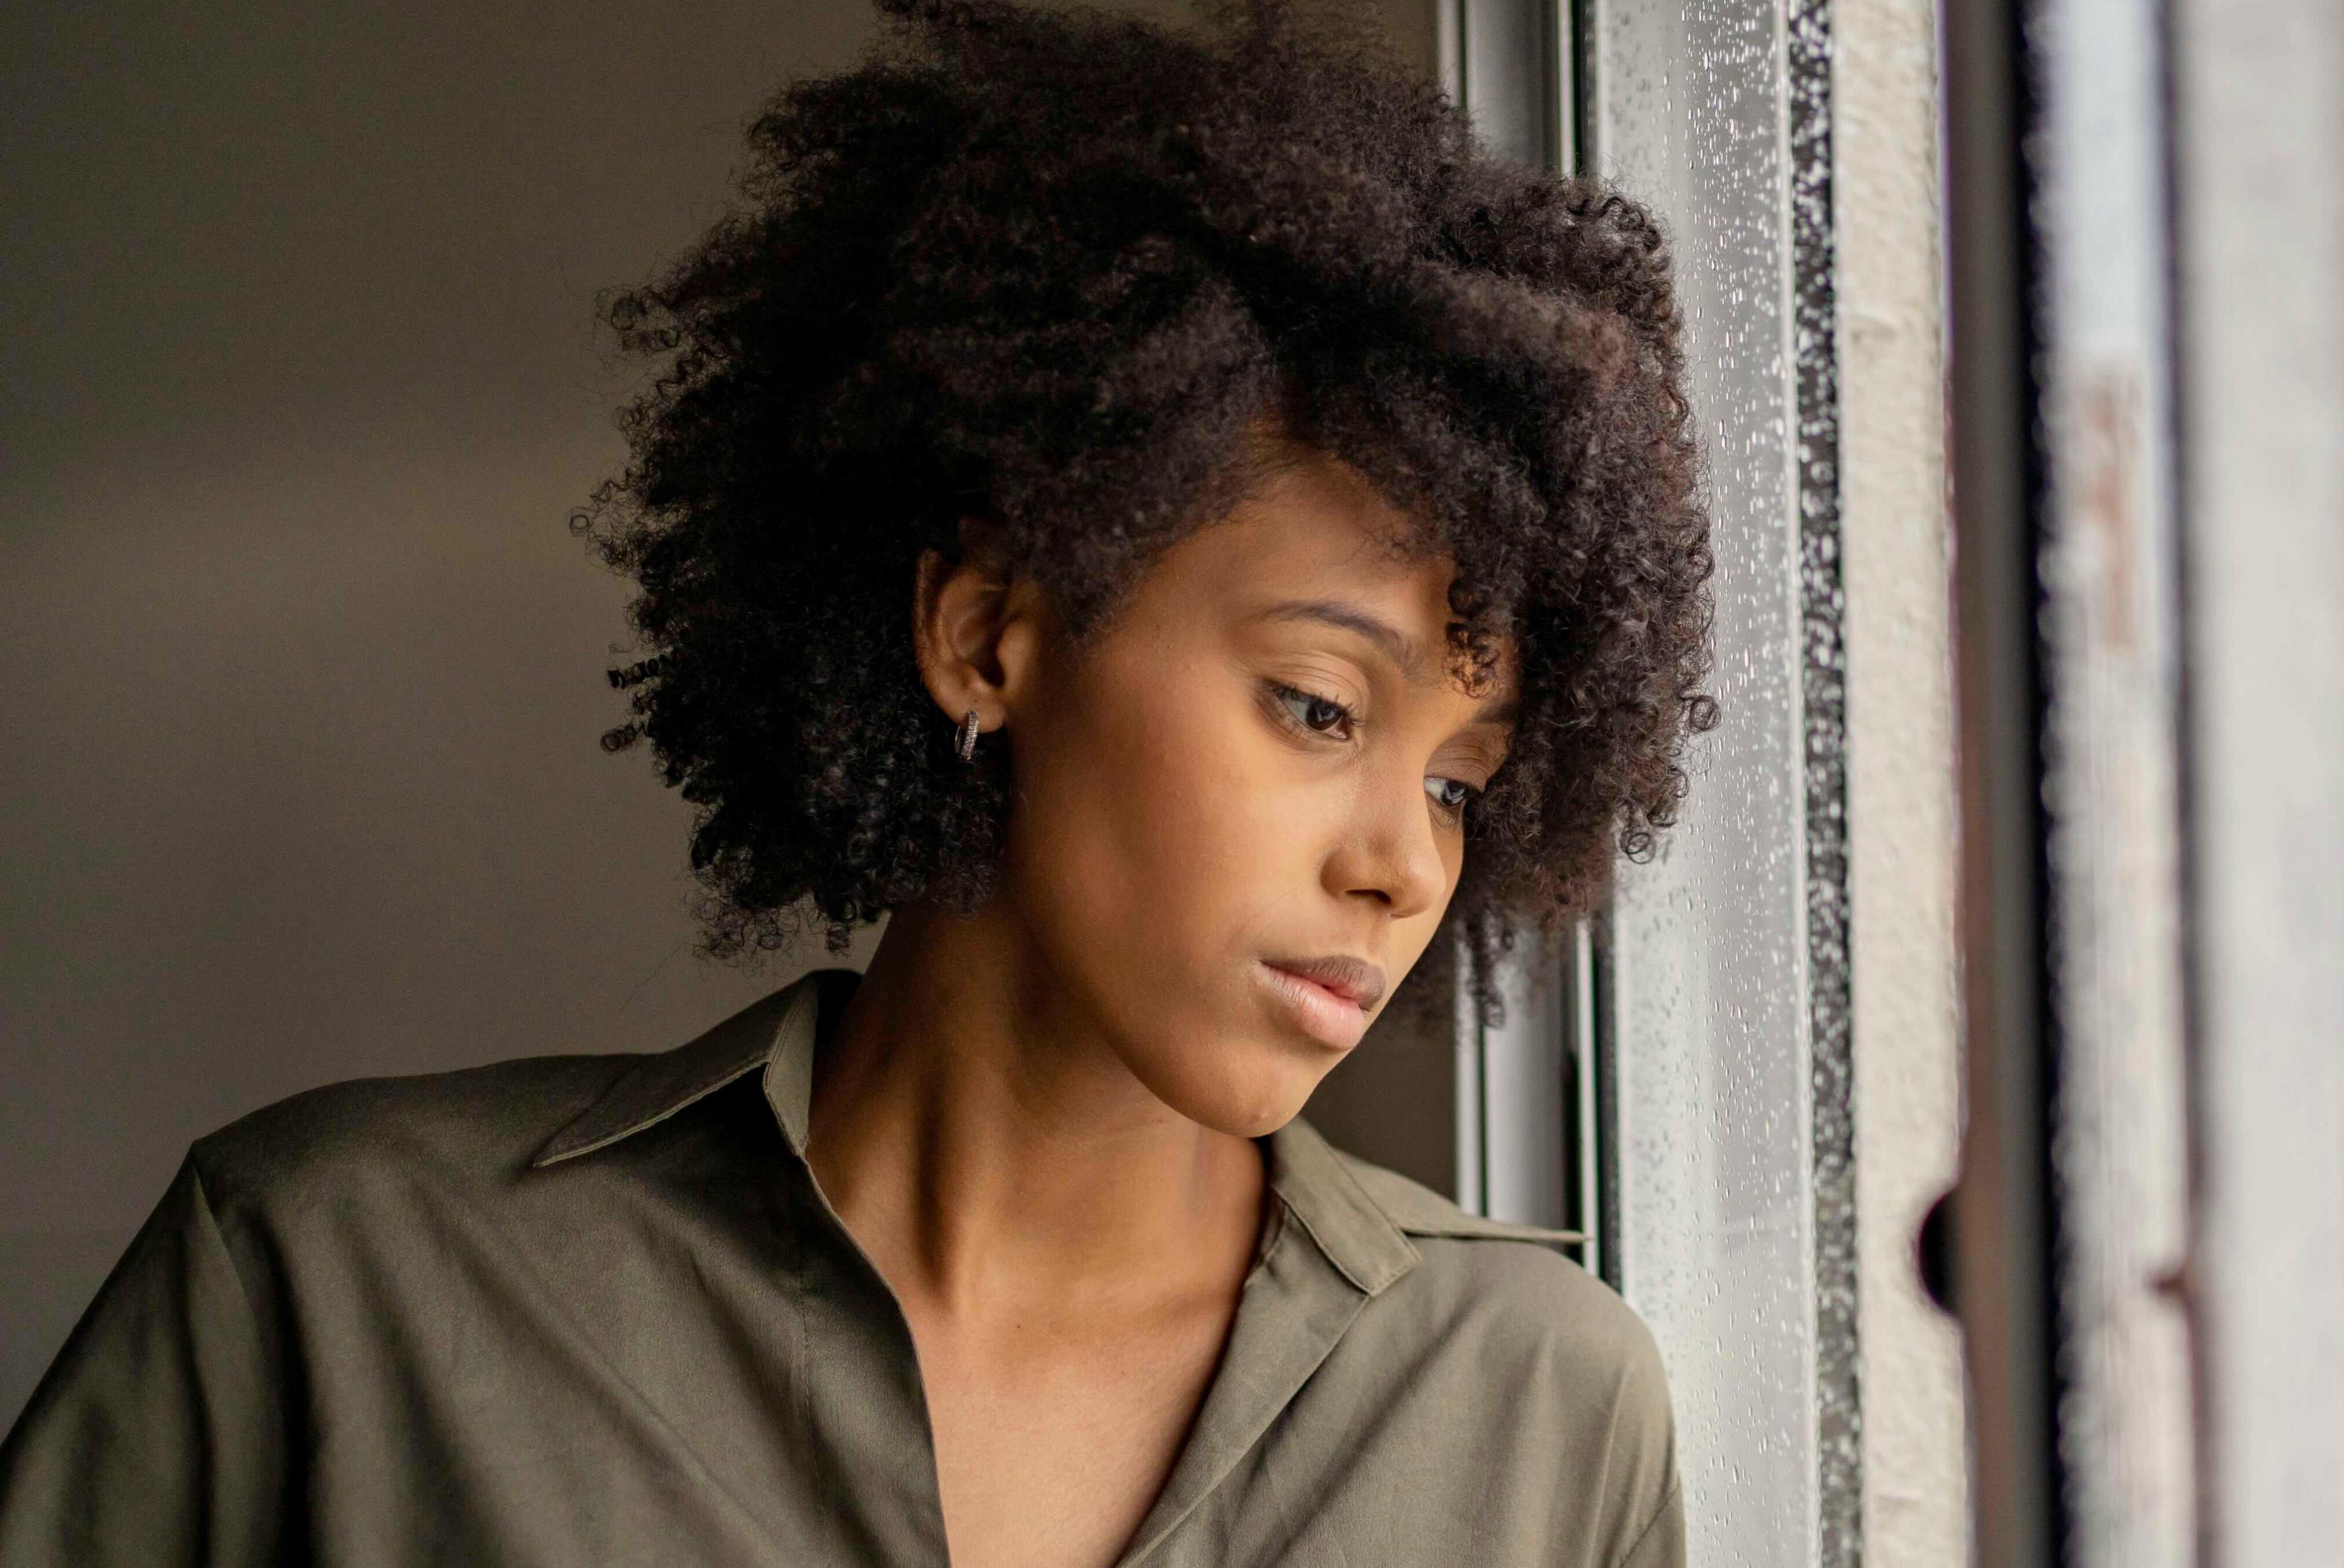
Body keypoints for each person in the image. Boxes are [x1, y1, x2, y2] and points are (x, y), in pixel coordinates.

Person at [0, 0, 1715, 1561]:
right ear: (986, 634)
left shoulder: (1536, 1413)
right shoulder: (338, 1284)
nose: (1407, 870)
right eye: (1323, 708)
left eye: (1464, 788)